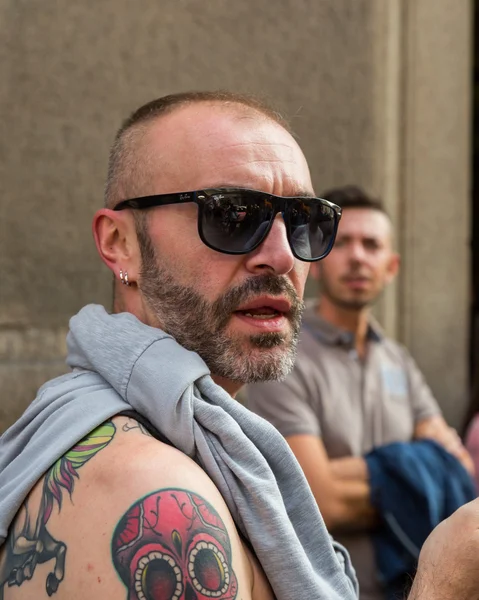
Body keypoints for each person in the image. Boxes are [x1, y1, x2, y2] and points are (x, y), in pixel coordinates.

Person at [1, 94, 479, 600]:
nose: (280, 256)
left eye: (304, 221)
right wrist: (444, 583)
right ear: (120, 242)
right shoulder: (153, 497)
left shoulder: (192, 440)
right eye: (232, 215)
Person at [246, 185, 474, 600]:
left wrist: (379, 472)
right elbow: (320, 498)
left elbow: (456, 467)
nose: (357, 256)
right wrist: (417, 467)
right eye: (343, 242)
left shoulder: (398, 360)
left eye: (371, 245)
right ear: (315, 255)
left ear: (391, 266)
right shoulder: (279, 353)